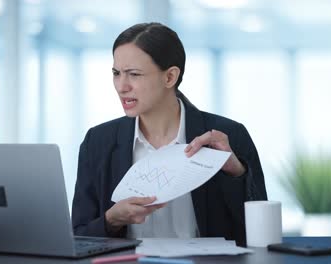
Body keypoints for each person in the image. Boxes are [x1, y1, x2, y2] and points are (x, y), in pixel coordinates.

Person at [71, 22, 267, 246]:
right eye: (116, 73)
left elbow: (260, 232)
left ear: (170, 77)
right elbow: (78, 237)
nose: (121, 86)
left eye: (134, 74)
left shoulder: (227, 135)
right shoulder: (98, 142)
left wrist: (236, 173)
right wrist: (111, 220)